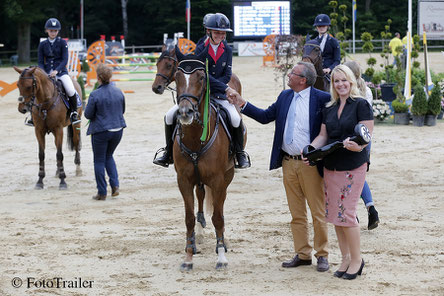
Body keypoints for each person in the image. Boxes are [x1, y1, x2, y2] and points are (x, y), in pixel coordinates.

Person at [228, 62, 331, 272]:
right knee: (297, 213)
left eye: (293, 73)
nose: (289, 75)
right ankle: (303, 253)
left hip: (310, 164)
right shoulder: (285, 96)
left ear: (303, 80)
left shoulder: (322, 99)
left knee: (318, 212)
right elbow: (266, 116)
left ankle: (322, 254)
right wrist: (241, 103)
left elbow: (330, 131)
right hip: (288, 163)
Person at [153, 13, 251, 169]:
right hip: (199, 94)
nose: (221, 35)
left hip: (218, 94)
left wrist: (222, 88)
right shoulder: (200, 48)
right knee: (169, 116)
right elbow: (200, 75)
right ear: (209, 32)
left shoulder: (227, 49)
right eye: (217, 32)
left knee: (235, 118)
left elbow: (226, 75)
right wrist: (221, 86)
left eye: (223, 33)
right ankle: (168, 153)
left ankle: (239, 153)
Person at [306, 65, 374, 280]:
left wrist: (359, 146)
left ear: (352, 81)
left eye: (344, 80)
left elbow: (366, 135)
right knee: (335, 215)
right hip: (331, 165)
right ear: (332, 84)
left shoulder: (361, 104)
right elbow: (323, 136)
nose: (340, 84)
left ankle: (356, 260)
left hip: (353, 165)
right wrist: (311, 149)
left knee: (347, 213)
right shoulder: (329, 106)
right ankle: (345, 258)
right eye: (336, 81)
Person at [344, 61, 380, 230]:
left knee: (345, 175)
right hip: (366, 135)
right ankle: (371, 207)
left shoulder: (348, 91)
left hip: (349, 135)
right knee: (360, 174)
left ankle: (352, 213)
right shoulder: (368, 90)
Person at [84, 64, 126, 201]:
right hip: (118, 130)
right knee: (109, 156)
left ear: (98, 78)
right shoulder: (118, 91)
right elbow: (122, 110)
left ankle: (102, 192)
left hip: (101, 131)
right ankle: (115, 186)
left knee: (99, 160)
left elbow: (88, 114)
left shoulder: (95, 94)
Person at [31, 18, 80, 126]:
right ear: (47, 31)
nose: (53, 32)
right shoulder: (42, 44)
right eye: (51, 30)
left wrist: (56, 71)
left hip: (61, 72)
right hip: (46, 74)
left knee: (71, 89)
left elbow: (64, 60)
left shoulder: (63, 43)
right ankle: (32, 116)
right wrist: (43, 73)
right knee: (35, 88)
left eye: (55, 31)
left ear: (58, 31)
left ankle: (73, 113)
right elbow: (40, 61)